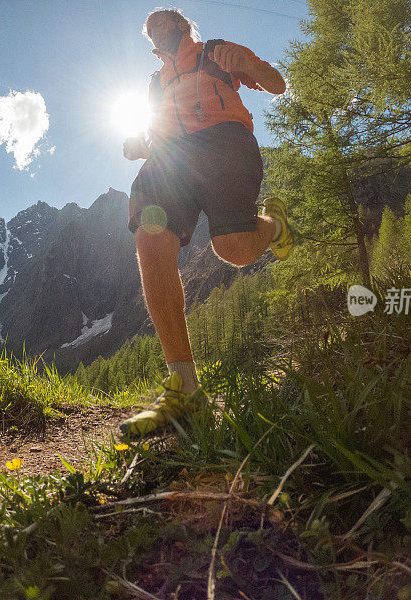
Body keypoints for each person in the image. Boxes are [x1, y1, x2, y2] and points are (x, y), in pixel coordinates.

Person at [119, 8, 293, 438]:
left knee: (233, 249)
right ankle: (184, 390)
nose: (156, 31)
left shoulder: (215, 53)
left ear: (183, 27)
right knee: (149, 234)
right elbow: (159, 127)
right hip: (172, 160)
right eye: (149, 30)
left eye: (163, 23)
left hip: (225, 145)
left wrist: (251, 66)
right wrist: (142, 144)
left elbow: (277, 84)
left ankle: (273, 225)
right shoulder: (155, 83)